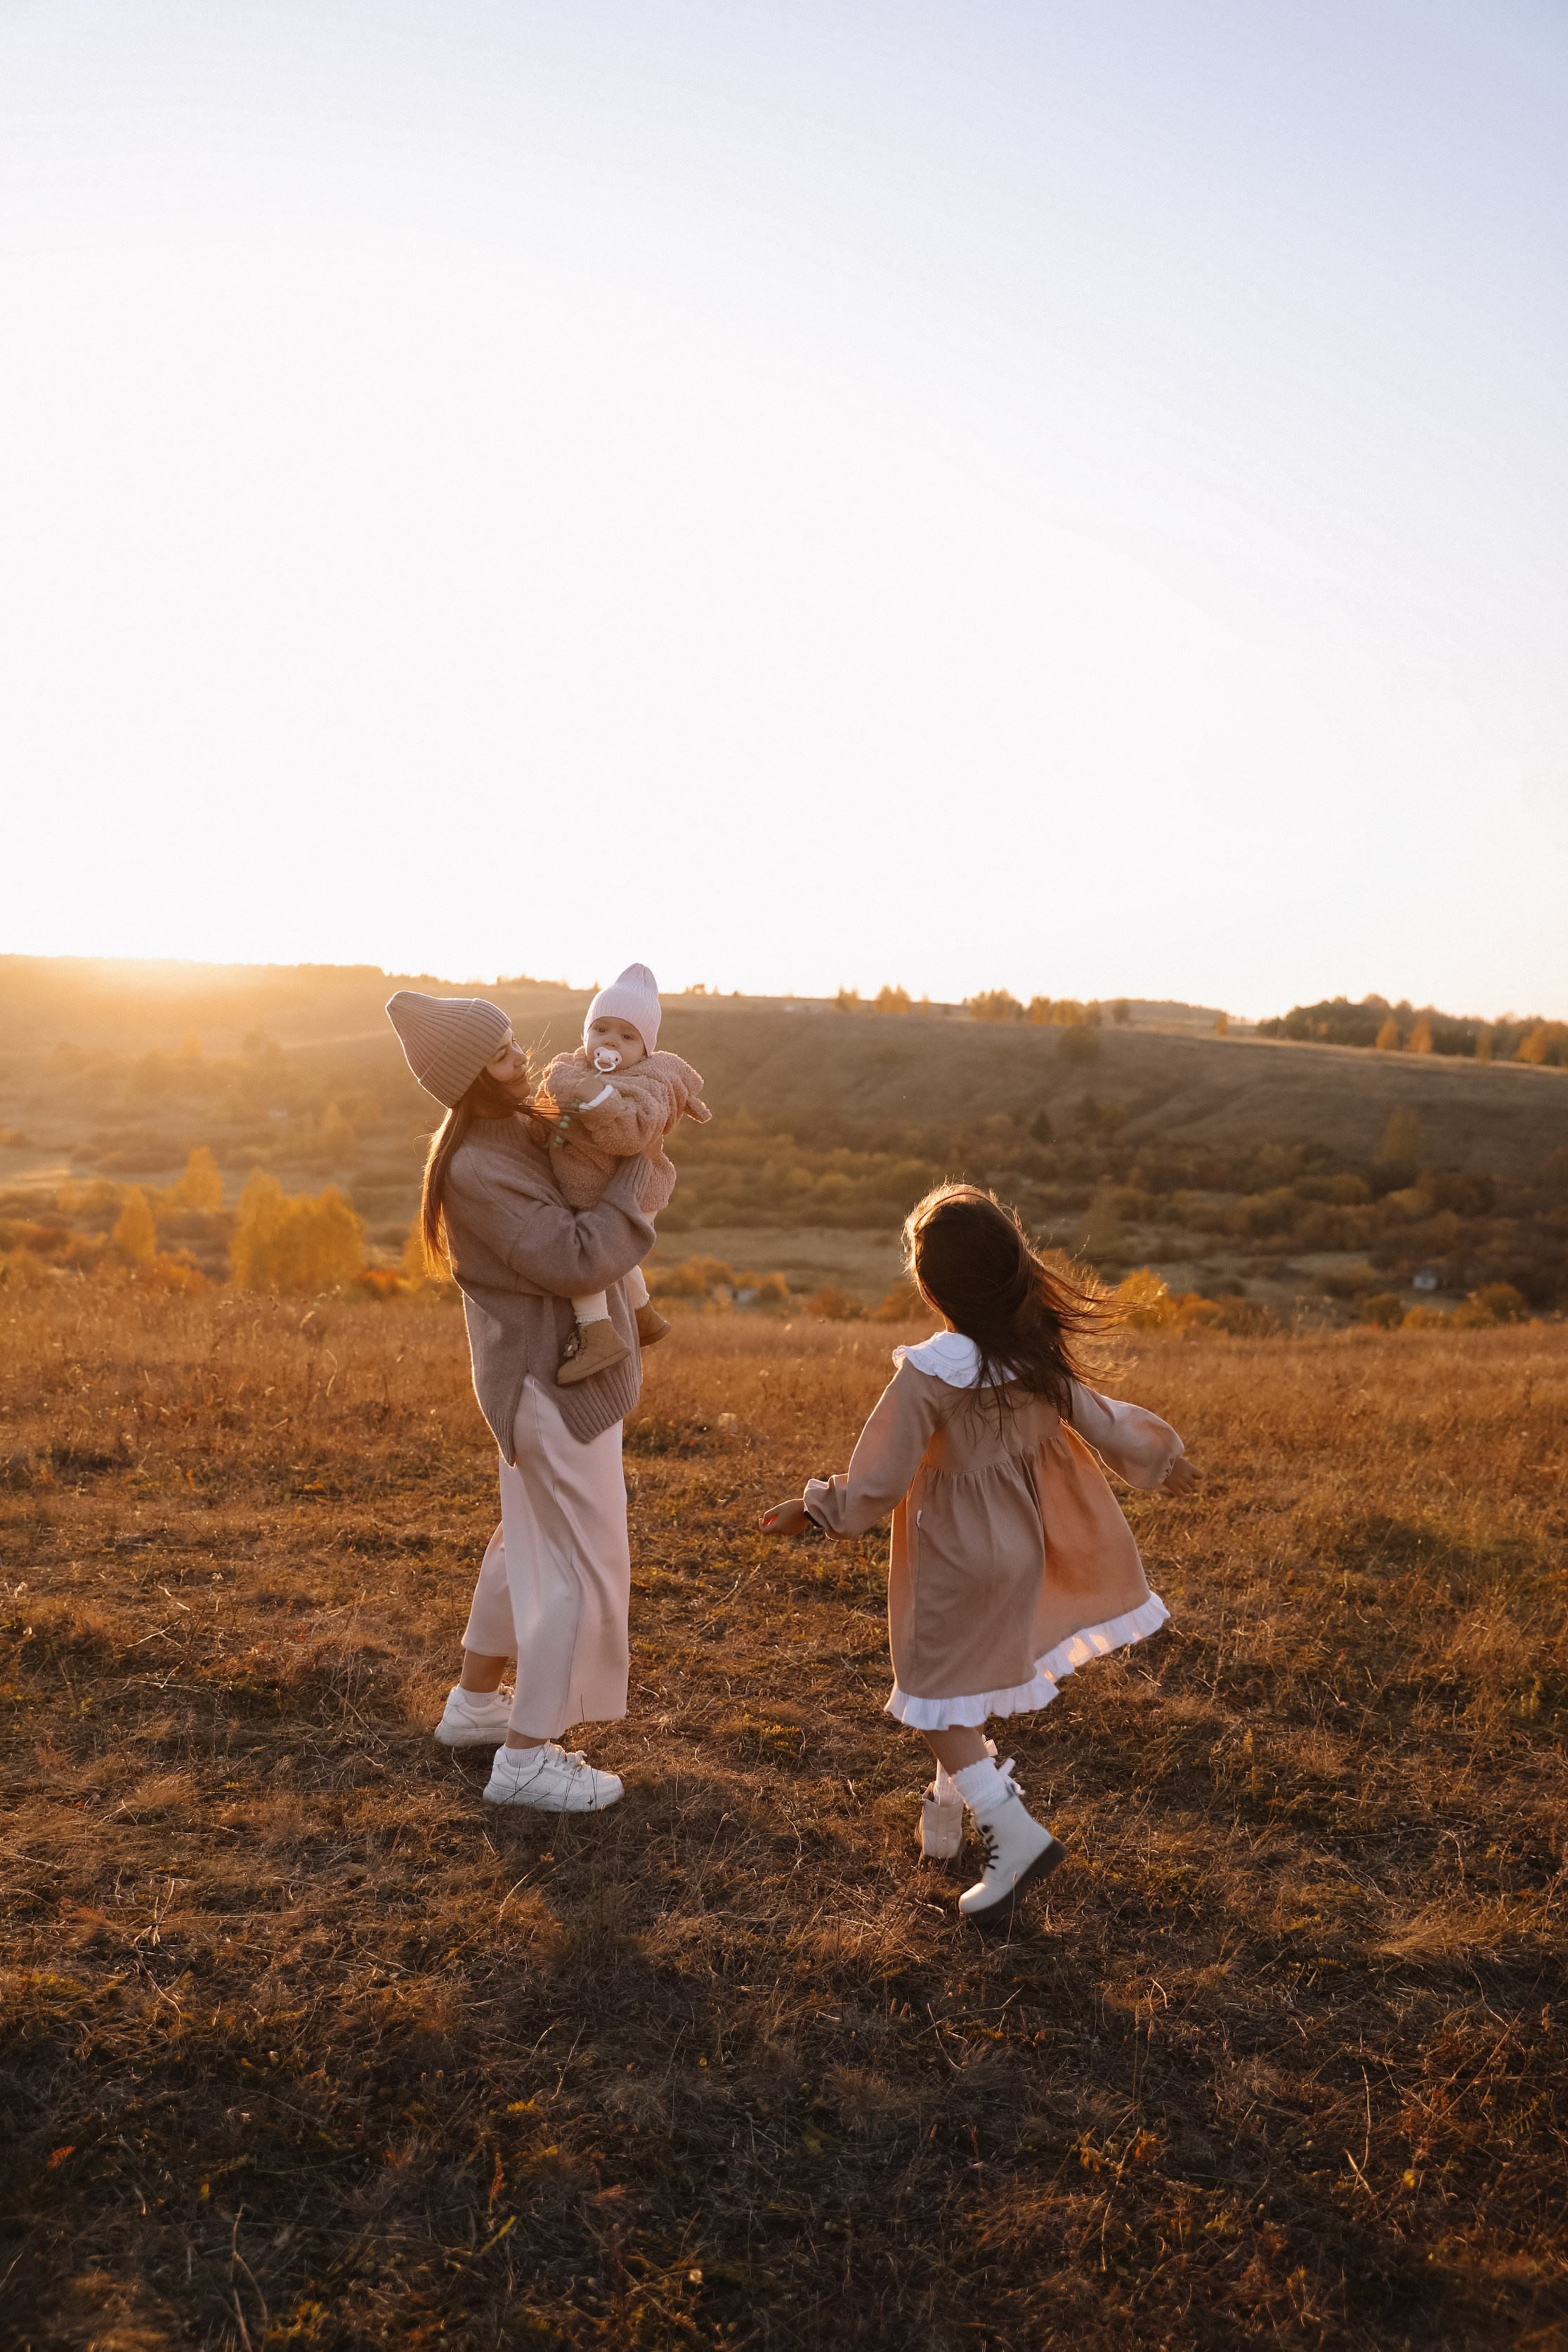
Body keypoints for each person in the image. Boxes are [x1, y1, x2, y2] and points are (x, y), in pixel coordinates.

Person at [759, 1184, 1201, 1924]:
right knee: (959, 1682)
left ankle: (1011, 1829)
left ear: (932, 1288)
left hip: (956, 1553)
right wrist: (1164, 1457)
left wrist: (815, 1506)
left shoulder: (928, 1372)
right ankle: (946, 1812)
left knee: (929, 1690)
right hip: (1023, 1545)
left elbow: (880, 1480)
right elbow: (1107, 1423)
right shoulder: (1033, 1353)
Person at [385, 988, 654, 1812]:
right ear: (471, 1076)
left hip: (548, 1384)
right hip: (550, 1389)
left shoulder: (523, 1127)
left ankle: (476, 1706)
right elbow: (575, 1259)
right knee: (575, 1569)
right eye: (502, 1053)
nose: (522, 1057)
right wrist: (639, 1174)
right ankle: (527, 1760)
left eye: (513, 1042)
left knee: (525, 1544)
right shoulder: (477, 1167)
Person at [535, 962, 709, 1387]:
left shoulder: (648, 1081)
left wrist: (600, 1102)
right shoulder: (571, 1070)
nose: (610, 1041)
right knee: (616, 1259)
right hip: (592, 1187)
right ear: (586, 1034)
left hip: (636, 1192)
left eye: (628, 1037)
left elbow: (632, 1135)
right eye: (601, 1030)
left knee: (587, 1257)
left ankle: (597, 1333)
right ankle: (644, 1316)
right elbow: (544, 1115)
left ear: (645, 1050)